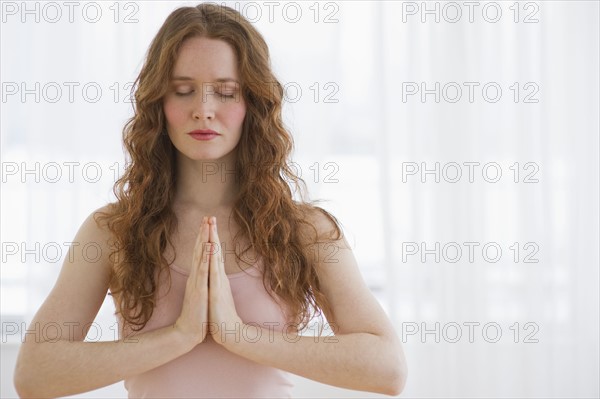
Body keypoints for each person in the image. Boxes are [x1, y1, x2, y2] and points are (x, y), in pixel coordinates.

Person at [13, 3, 407, 398]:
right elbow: (34, 375)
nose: (203, 110)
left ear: (252, 103)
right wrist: (180, 335)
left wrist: (237, 334)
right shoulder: (112, 230)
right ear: (158, 104)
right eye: (183, 91)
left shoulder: (305, 231)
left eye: (225, 92)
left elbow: (388, 369)